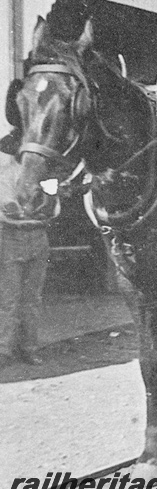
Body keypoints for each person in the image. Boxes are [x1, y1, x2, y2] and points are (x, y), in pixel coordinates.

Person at [0, 152, 50, 368]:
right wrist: (24, 211)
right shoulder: (4, 171)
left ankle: (29, 348)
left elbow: (52, 206)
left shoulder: (42, 172)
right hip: (11, 235)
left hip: (38, 235)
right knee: (9, 297)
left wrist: (46, 202)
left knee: (33, 297)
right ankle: (4, 349)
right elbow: (8, 207)